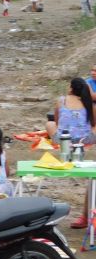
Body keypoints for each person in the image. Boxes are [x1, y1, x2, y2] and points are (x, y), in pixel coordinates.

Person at [48, 78, 96, 228]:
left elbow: (57, 122)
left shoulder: (62, 100)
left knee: (49, 124)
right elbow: (93, 124)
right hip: (84, 139)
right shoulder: (90, 104)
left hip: (64, 139)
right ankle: (86, 216)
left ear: (70, 88)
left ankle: (86, 217)